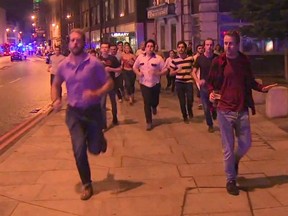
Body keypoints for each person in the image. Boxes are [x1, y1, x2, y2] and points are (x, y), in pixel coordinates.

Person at [207, 30, 277, 196]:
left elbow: (250, 81)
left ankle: (235, 161)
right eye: (225, 43)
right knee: (228, 148)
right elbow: (210, 82)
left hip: (241, 109)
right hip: (224, 110)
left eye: (231, 43)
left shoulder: (244, 61)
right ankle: (230, 179)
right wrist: (211, 92)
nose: (227, 46)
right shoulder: (219, 61)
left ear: (237, 45)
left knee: (246, 144)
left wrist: (262, 88)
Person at [51, 28, 113, 200]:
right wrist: (56, 100)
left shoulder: (94, 63)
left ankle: (99, 140)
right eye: (72, 40)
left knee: (94, 149)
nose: (75, 43)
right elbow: (56, 84)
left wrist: (97, 93)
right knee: (79, 150)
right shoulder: (63, 65)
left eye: (78, 40)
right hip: (74, 114)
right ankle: (87, 184)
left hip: (92, 112)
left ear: (84, 42)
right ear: (68, 43)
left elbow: (109, 83)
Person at [133, 39, 165, 131]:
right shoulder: (140, 58)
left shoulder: (158, 58)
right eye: (148, 46)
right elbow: (134, 67)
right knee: (146, 102)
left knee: (155, 101)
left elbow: (165, 70)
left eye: (152, 46)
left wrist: (158, 73)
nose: (150, 48)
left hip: (155, 83)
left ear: (154, 47)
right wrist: (138, 73)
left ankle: (154, 106)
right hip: (144, 83)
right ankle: (149, 122)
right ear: (145, 47)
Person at [192, 38, 218, 133]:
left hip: (215, 87)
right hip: (204, 87)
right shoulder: (200, 58)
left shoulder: (217, 58)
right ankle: (210, 125)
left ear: (213, 46)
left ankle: (214, 110)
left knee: (213, 104)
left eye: (211, 45)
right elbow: (193, 72)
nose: (209, 47)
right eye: (207, 45)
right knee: (206, 107)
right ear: (204, 46)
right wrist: (197, 80)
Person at [98, 42, 122, 129]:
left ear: (108, 49)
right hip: (101, 85)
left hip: (111, 84)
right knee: (102, 105)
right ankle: (103, 124)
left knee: (113, 102)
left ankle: (115, 117)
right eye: (102, 47)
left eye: (106, 47)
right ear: (100, 49)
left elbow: (120, 69)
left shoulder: (113, 58)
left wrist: (111, 69)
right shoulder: (97, 59)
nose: (104, 49)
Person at [170, 41, 195, 123]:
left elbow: (195, 68)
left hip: (189, 81)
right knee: (182, 101)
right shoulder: (175, 60)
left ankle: (190, 109)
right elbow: (171, 73)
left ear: (185, 48)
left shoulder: (190, 58)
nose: (181, 49)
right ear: (177, 49)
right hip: (179, 82)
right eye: (179, 47)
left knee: (190, 99)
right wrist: (177, 70)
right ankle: (185, 116)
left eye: (182, 47)